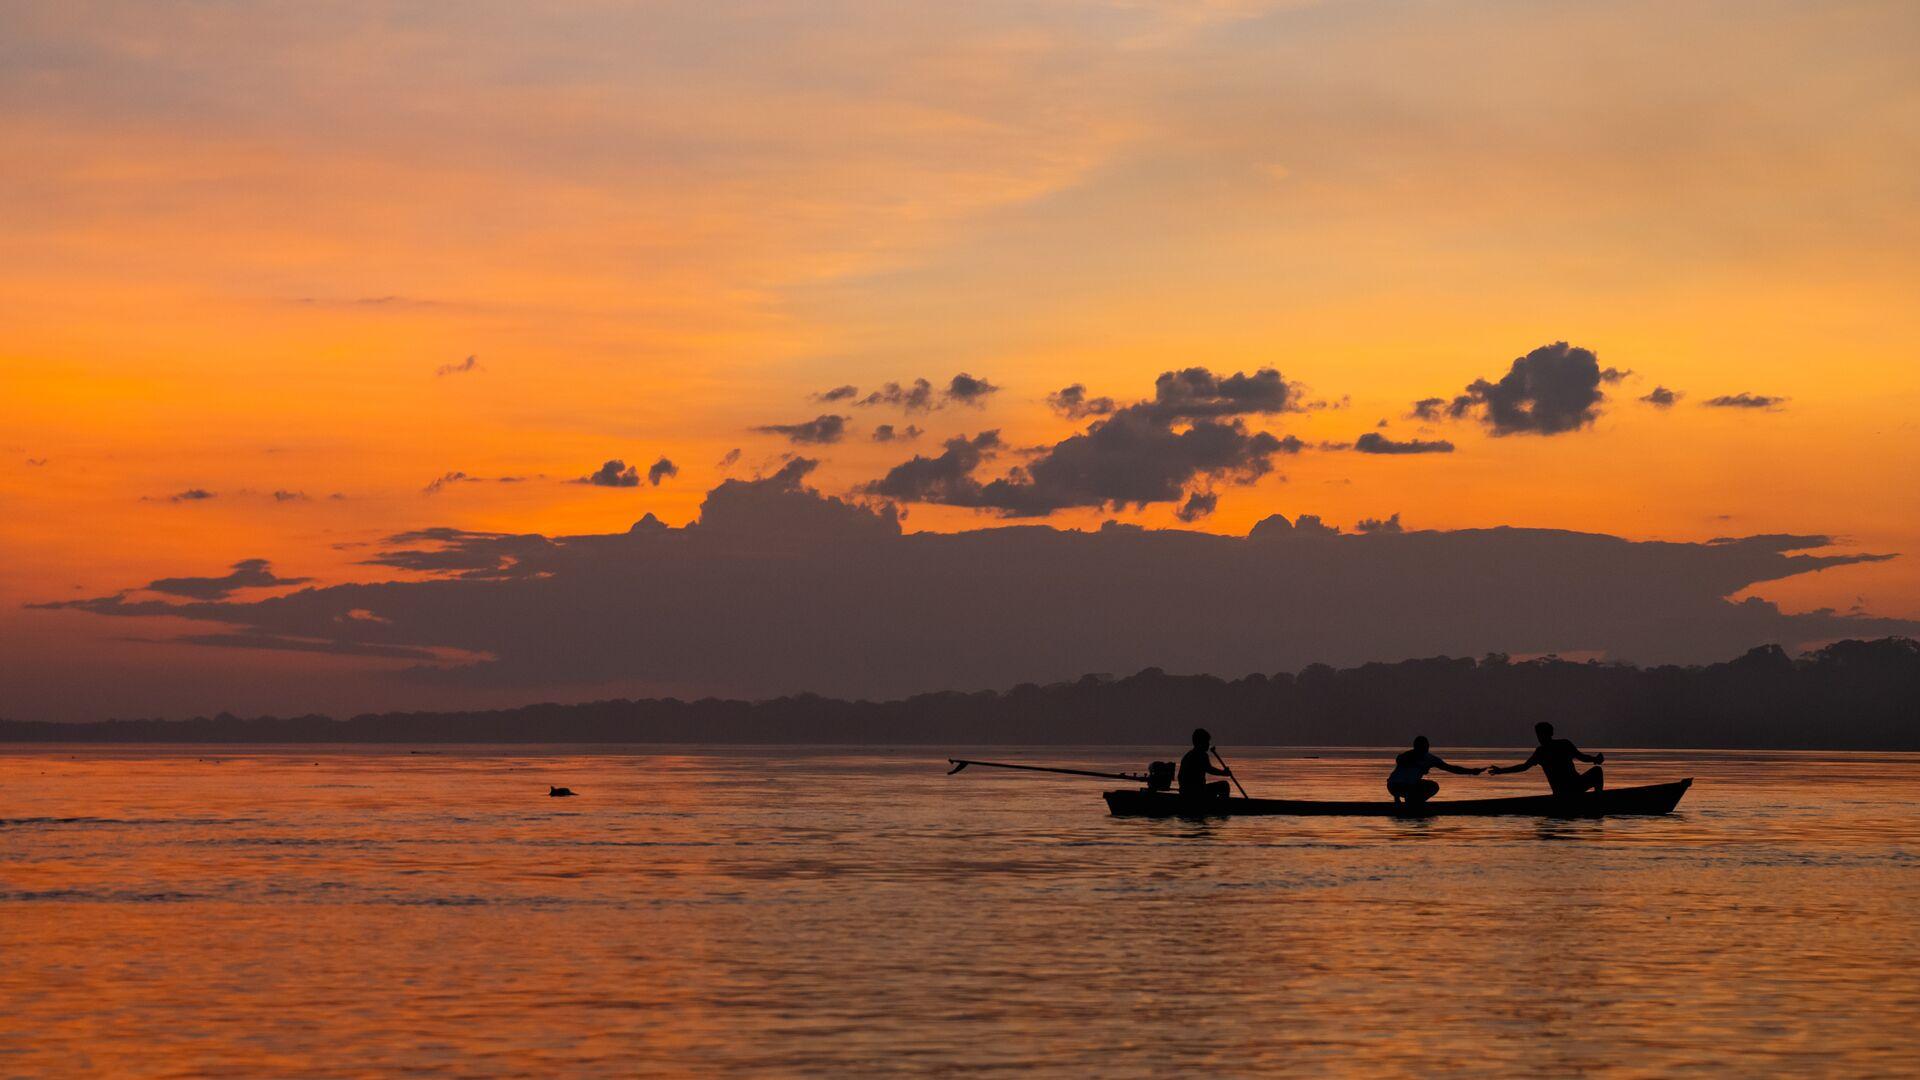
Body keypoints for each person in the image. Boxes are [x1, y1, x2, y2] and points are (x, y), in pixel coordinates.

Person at [1486, 721, 1605, 795]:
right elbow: (1523, 767)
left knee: (1597, 770)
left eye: (1541, 734)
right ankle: (1598, 799)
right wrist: (1501, 771)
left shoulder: (1561, 745)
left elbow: (1582, 757)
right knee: (1597, 771)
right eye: (1538, 734)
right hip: (1562, 791)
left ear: (1549, 734)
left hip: (1573, 787)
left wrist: (1595, 759)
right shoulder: (1542, 751)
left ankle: (1598, 799)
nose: (1539, 737)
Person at [1386, 735, 1484, 804]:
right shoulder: (1406, 756)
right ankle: (1412, 803)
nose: (1422, 749)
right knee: (1410, 785)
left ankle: (1415, 802)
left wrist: (1471, 771)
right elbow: (1399, 763)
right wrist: (1396, 798)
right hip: (1395, 787)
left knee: (1433, 786)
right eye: (1420, 747)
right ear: (1415, 747)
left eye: (1424, 747)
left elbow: (1451, 768)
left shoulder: (1430, 759)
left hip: (1408, 787)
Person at [1178, 728, 1233, 799]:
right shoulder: (1201, 755)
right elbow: (1209, 769)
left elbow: (1180, 777)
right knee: (1224, 785)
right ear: (1201, 742)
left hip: (1186, 791)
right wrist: (1224, 773)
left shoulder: (1188, 755)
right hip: (1196, 791)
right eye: (1207, 742)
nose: (1208, 744)